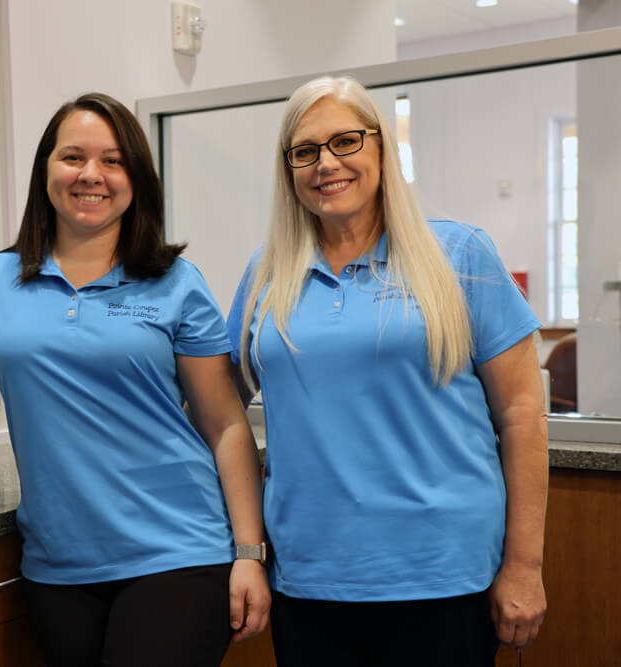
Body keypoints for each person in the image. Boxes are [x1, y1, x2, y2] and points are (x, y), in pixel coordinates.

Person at [0, 92, 270, 667]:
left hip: (178, 550)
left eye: (113, 160)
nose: (92, 174)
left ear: (136, 178)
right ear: (45, 171)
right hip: (58, 564)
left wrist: (248, 552)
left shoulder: (176, 282)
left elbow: (225, 423)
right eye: (73, 157)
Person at [227, 76, 548, 667]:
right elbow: (220, 418)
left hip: (442, 575)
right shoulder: (267, 275)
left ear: (381, 148)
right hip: (307, 576)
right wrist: (248, 549)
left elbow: (523, 414)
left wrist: (524, 567)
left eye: (346, 141)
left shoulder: (457, 254)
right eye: (305, 151)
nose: (327, 163)